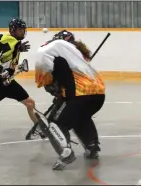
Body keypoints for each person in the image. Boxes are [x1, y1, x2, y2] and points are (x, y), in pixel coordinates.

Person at [33, 30, 106, 170]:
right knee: (80, 117)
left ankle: (66, 153)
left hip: (79, 95)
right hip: (99, 95)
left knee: (54, 123)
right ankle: (92, 147)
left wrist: (54, 90)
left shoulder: (54, 50)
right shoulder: (80, 56)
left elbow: (46, 81)